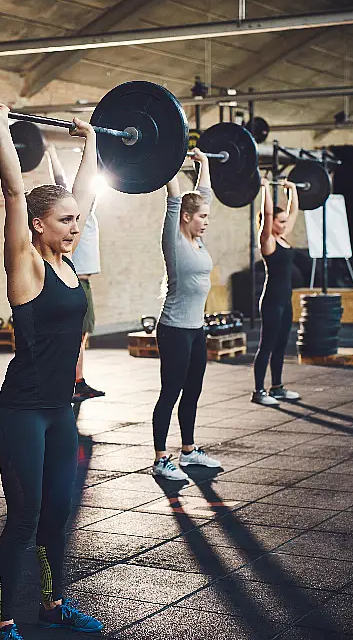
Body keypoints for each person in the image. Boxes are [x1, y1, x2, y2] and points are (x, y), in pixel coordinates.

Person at [0, 105, 103, 640]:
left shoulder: (68, 263)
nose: (76, 226)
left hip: (61, 411)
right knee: (25, 517)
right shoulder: (28, 264)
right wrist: (3, 128)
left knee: (58, 515)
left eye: (78, 219)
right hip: (22, 411)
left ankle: (55, 606)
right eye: (66, 220)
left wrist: (92, 139)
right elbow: (13, 193)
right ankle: (5, 620)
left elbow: (87, 190)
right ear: (39, 225)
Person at [151, 151, 223, 481]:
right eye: (202, 217)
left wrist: (204, 164)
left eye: (207, 216)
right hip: (175, 329)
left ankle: (189, 451)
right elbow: (175, 196)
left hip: (196, 330)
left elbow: (202, 194)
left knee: (192, 390)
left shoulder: (196, 240)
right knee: (171, 392)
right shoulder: (175, 242)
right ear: (185, 217)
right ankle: (161, 458)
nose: (206, 221)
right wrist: (166, 158)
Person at [46, 145, 105, 402]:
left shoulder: (88, 214)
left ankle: (77, 381)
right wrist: (51, 152)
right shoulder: (75, 216)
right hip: (76, 282)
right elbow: (61, 182)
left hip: (84, 283)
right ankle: (70, 382)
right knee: (74, 336)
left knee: (80, 336)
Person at [252, 178, 302, 406]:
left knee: (282, 344)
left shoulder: (282, 238)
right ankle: (259, 391)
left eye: (283, 222)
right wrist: (265, 189)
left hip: (285, 301)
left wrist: (291, 190)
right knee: (267, 346)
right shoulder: (268, 240)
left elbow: (293, 213)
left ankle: (277, 387)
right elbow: (268, 214)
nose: (283, 225)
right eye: (278, 222)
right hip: (272, 301)